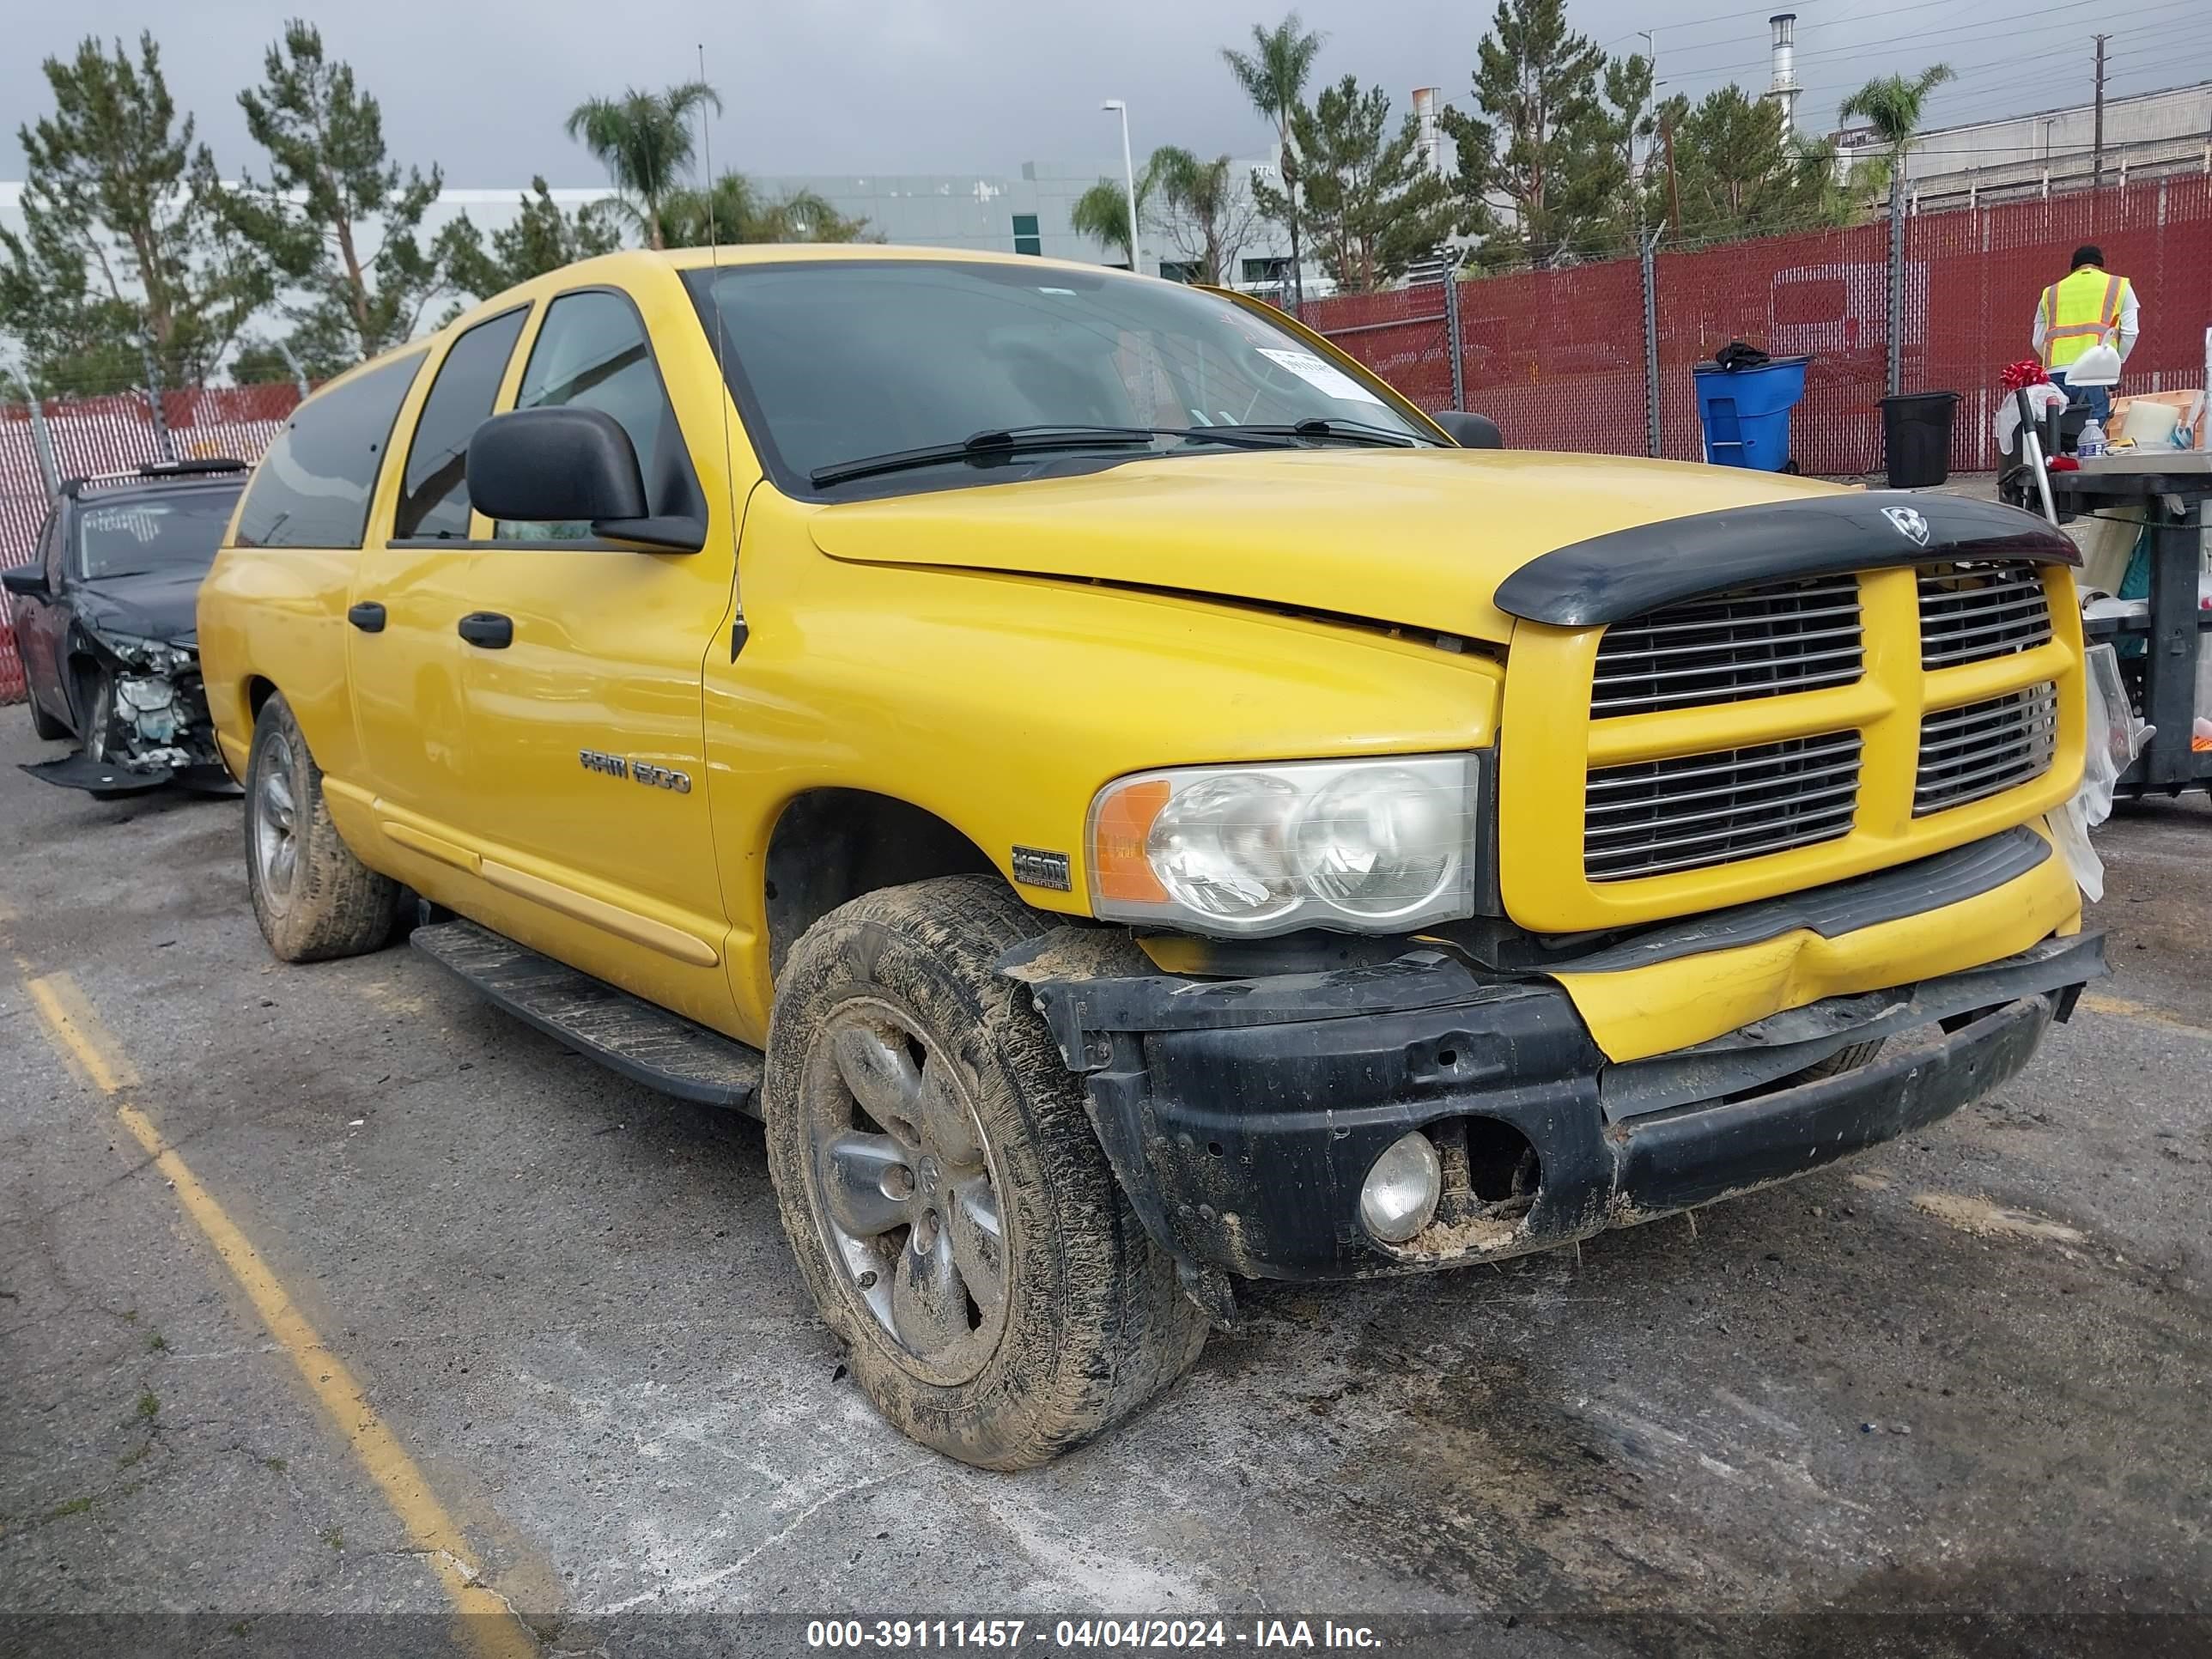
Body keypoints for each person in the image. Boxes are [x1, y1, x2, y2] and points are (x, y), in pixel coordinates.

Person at [2032, 245, 2139, 425]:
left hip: (2056, 374)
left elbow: (2037, 340)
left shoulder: (2051, 292)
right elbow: (2131, 332)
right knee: (2092, 438)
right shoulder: (2118, 286)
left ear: (2073, 268)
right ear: (2100, 265)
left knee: (2058, 437)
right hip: (2094, 373)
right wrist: (2114, 362)